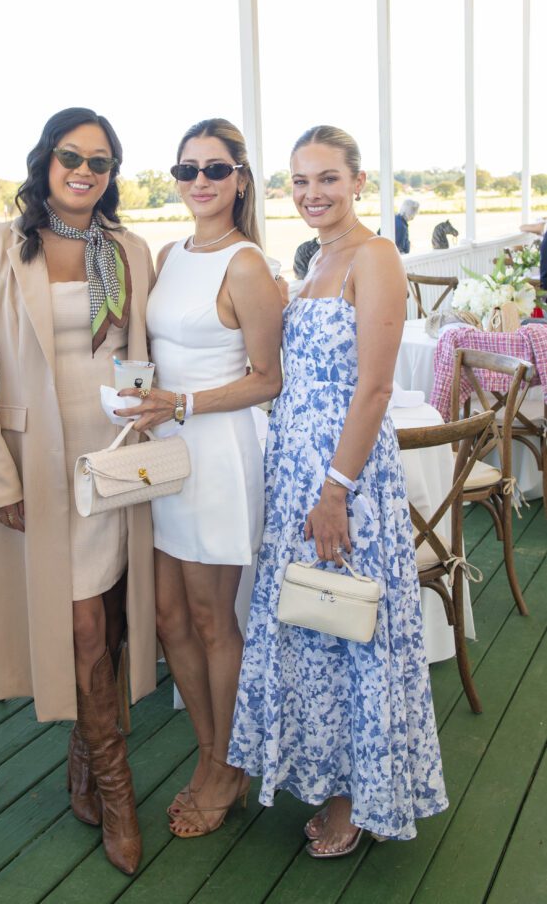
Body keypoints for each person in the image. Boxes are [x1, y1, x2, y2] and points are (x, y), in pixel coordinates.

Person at [228, 124, 448, 855]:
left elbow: (375, 388)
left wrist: (334, 492)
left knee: (350, 623)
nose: (312, 193)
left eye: (327, 178)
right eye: (299, 180)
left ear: (358, 182)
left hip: (342, 478)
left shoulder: (374, 255)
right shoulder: (316, 258)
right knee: (312, 622)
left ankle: (358, 796)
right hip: (295, 470)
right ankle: (325, 774)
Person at [0, 107, 157, 876]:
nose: (84, 171)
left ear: (111, 175)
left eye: (100, 162)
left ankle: (83, 752)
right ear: (45, 162)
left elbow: (149, 349)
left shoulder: (129, 250)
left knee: (111, 615)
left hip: (119, 459)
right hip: (39, 467)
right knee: (81, 625)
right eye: (71, 156)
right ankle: (117, 787)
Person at [116, 118, 283, 838]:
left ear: (240, 180)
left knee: (215, 619)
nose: (200, 182)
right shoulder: (169, 253)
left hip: (216, 453)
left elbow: (267, 379)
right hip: (163, 453)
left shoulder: (245, 265)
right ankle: (211, 751)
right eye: (187, 170)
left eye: (216, 169)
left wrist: (181, 403)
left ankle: (229, 766)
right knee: (168, 617)